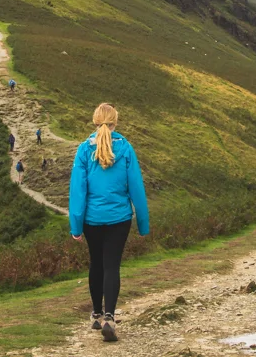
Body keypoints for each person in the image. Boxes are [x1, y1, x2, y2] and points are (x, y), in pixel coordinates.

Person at [69, 103, 150, 343]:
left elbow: (77, 190)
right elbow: (136, 187)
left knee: (96, 264)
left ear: (95, 122)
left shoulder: (84, 150)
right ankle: (109, 318)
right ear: (116, 122)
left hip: (92, 219)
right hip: (119, 218)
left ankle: (95, 314)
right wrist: (143, 224)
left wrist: (76, 225)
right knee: (112, 266)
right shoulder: (125, 148)